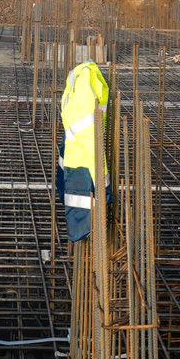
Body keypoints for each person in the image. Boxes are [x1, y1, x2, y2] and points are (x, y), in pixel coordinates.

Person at [54, 59, 110, 243]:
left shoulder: (80, 78)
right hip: (82, 152)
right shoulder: (87, 78)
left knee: (76, 195)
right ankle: (82, 230)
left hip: (78, 153)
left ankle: (81, 231)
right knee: (78, 194)